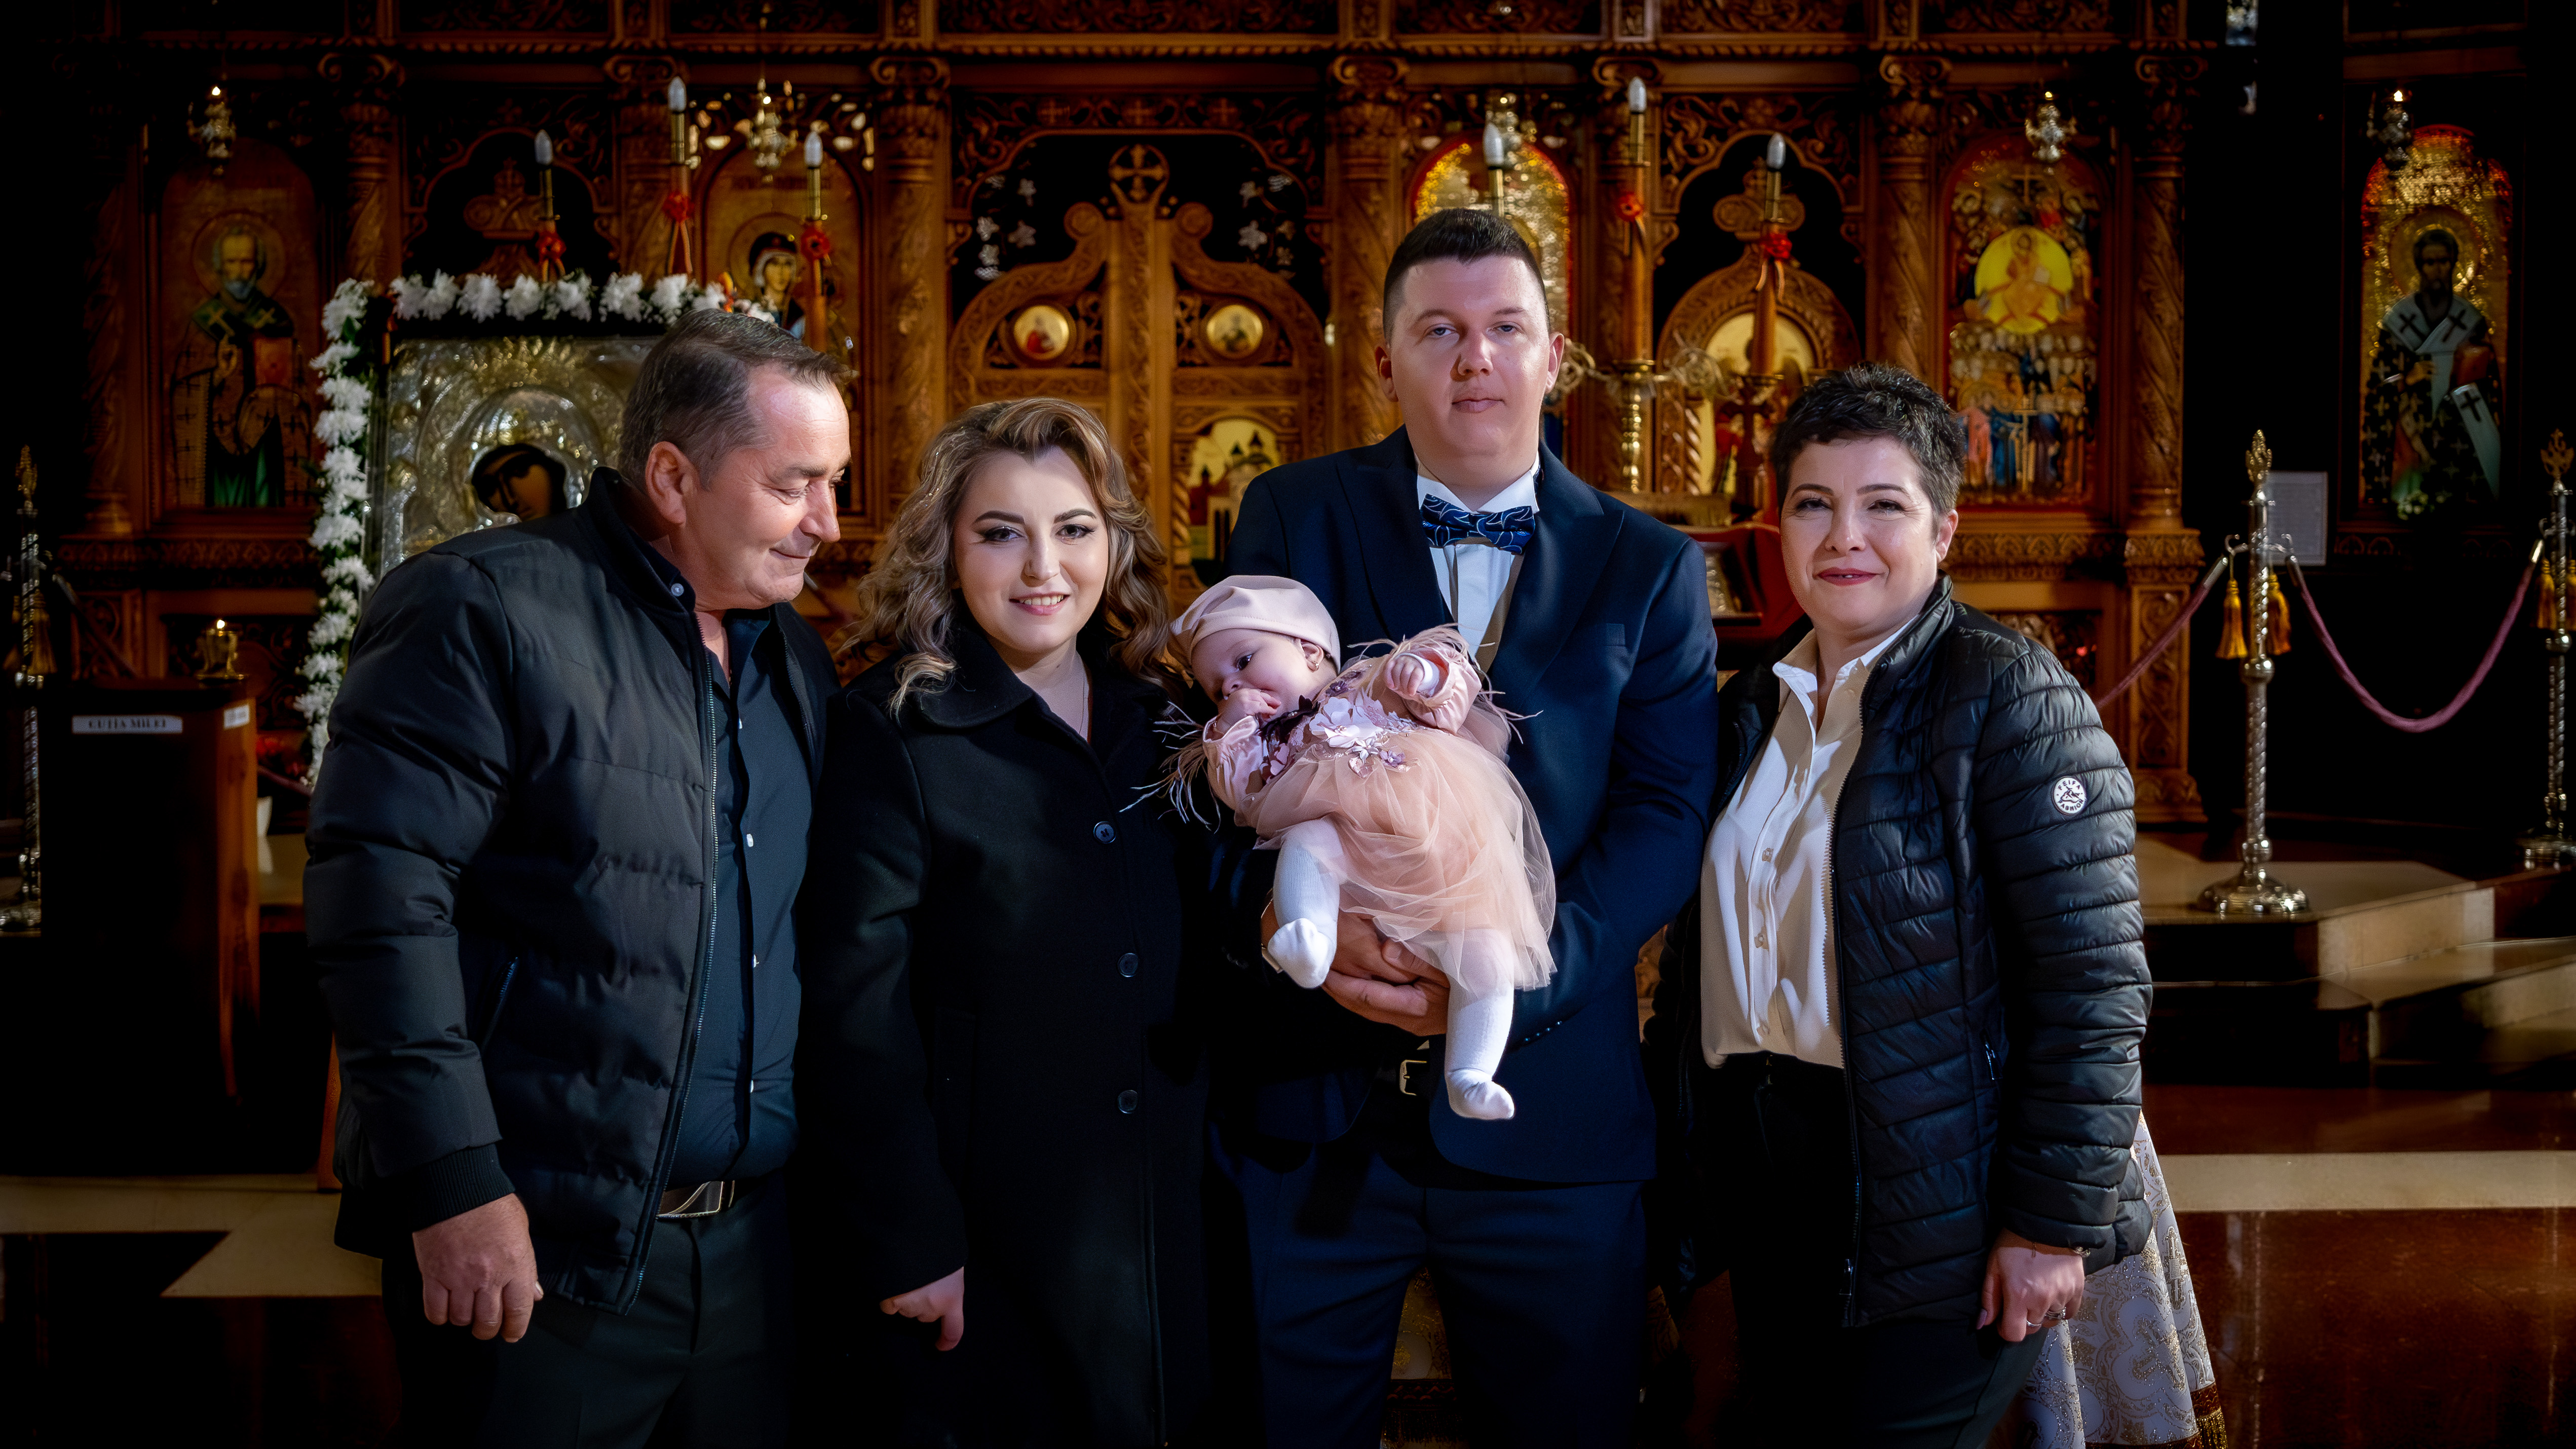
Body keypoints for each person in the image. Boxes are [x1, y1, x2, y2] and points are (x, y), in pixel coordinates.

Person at [1212, 206, 1722, 1446]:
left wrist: (1515, 975)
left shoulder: (1649, 565)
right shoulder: (1292, 512)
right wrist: (1283, 921)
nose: (1474, 357)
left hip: (1553, 1119)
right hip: (1313, 1111)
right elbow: (1234, 750)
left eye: (1505, 328)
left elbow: (1663, 817)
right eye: (1438, 330)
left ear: (1555, 358)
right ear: (1383, 359)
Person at [308, 308, 849, 1448]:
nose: (828, 523)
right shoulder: (481, 605)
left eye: (833, 483)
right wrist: (454, 1180)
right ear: (673, 477)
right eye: (794, 484)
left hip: (751, 1256)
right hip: (540, 1248)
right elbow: (381, 908)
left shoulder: (791, 651)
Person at [1644, 361, 2151, 1446]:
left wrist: (2047, 1224)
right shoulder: (1748, 703)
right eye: (1812, 504)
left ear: (1943, 527)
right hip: (1767, 1182)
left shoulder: (2008, 697)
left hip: (1939, 1192)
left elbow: (2090, 984)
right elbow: (1697, 958)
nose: (1843, 538)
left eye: (1883, 505)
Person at [796, 397, 1209, 1446]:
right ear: (945, 546)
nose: (1042, 568)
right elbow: (853, 1016)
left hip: (1167, 1215)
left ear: (1114, 544)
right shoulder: (893, 728)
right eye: (999, 533)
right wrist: (910, 1237)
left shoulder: (1168, 717)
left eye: (1073, 529)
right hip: (989, 1235)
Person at [1170, 577, 1554, 1121]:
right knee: (1307, 841)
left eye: (1244, 661)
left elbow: (1452, 693)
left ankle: (1470, 1072)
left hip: (1440, 848)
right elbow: (1243, 797)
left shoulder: (1366, 682)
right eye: (1218, 689)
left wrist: (1422, 674)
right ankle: (1310, 940)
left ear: (1308, 650)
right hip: (1348, 850)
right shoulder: (1276, 742)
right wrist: (1231, 730)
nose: (1233, 685)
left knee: (1484, 949)